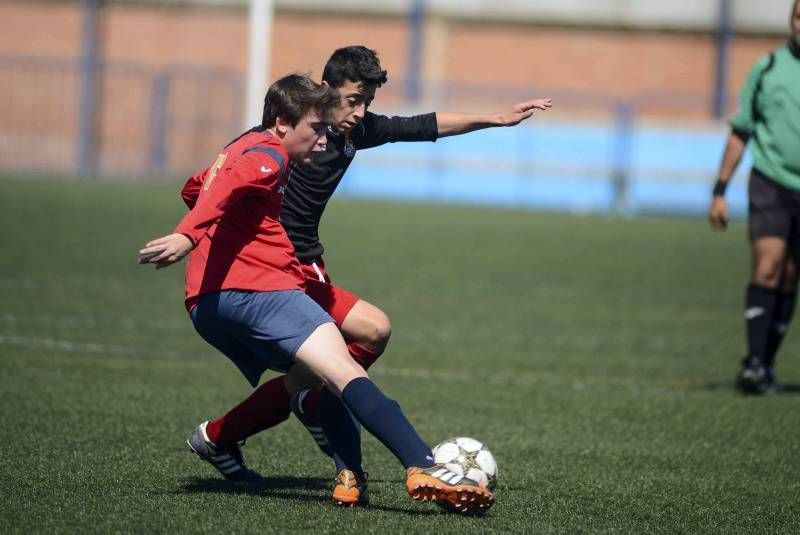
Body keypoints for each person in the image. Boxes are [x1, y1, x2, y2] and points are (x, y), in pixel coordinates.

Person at [180, 46, 551, 488]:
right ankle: (348, 442)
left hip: (304, 268)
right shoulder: (286, 136)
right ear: (327, 91)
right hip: (274, 275)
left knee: (324, 369)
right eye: (353, 100)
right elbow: (220, 180)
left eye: (367, 102)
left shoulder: (351, 132)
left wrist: (497, 118)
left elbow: (424, 125)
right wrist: (196, 233)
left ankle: (227, 435)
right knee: (362, 339)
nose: (360, 112)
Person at [139, 73, 494, 512]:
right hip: (263, 291)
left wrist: (210, 235)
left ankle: (317, 465)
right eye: (316, 128)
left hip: (207, 305)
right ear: (283, 122)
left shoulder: (240, 147)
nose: (324, 141)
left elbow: (200, 187)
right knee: (345, 373)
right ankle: (422, 464)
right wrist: (188, 236)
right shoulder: (269, 157)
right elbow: (224, 190)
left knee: (322, 372)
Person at [708, 0, 800, 394]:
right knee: (768, 266)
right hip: (770, 182)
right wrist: (719, 191)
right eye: (799, 17)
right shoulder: (767, 69)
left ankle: (766, 364)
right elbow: (740, 132)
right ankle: (753, 365)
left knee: (790, 276)